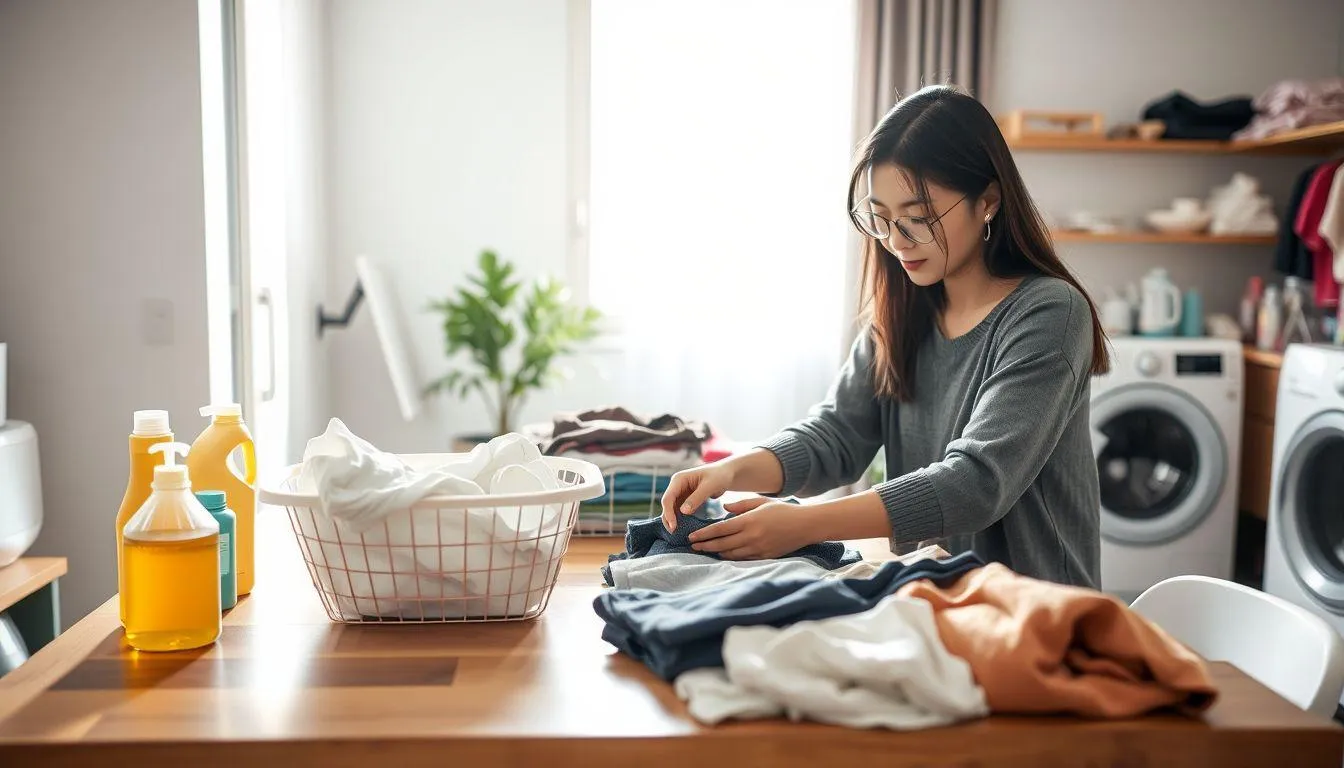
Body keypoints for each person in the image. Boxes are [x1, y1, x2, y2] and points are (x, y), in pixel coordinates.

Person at [659, 85, 1111, 588]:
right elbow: (837, 436)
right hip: (933, 602)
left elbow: (976, 484)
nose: (896, 241)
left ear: (987, 202)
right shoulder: (903, 311)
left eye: (919, 218)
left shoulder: (1049, 312)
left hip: (1043, 617)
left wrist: (800, 525)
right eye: (881, 218)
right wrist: (733, 471)